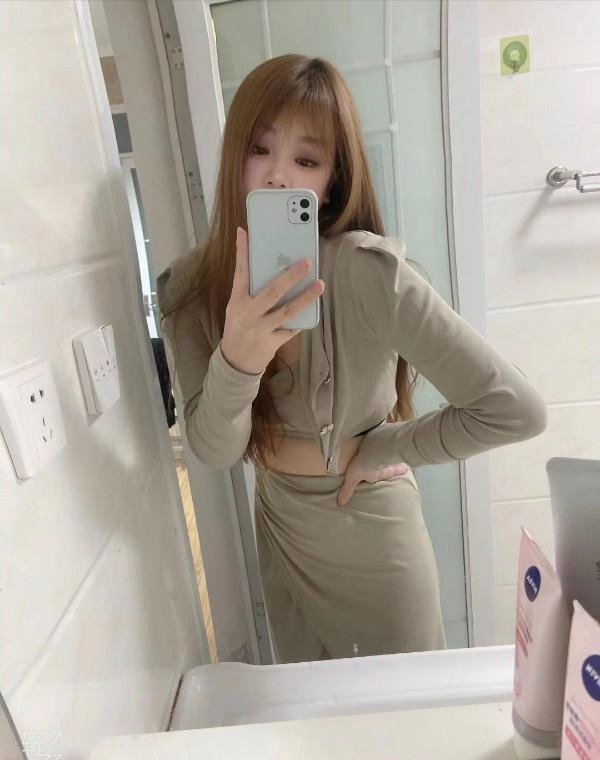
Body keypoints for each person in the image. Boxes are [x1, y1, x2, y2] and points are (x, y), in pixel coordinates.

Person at [156, 54, 548, 663]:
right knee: (307, 706)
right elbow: (215, 451)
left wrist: (389, 446)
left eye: (306, 160)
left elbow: (515, 409)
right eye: (260, 149)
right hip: (280, 523)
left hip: (371, 530)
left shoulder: (369, 272)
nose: (278, 177)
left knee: (402, 708)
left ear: (332, 179)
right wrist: (238, 357)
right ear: (234, 155)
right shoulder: (188, 289)